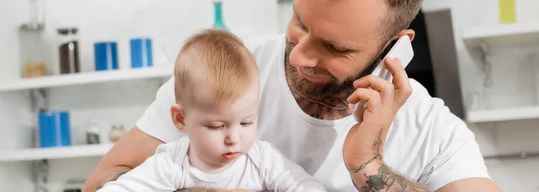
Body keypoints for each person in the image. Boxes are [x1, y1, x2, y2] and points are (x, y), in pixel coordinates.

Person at [85, 0, 503, 191]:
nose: (300, 55)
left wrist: (368, 164)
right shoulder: (223, 74)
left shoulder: (434, 132)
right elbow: (101, 182)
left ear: (393, 46)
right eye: (299, 23)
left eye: (335, 47)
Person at [96, 29, 327, 192]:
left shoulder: (261, 158)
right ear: (180, 119)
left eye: (246, 123)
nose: (234, 139)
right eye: (216, 126)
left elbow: (307, 185)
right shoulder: (173, 163)